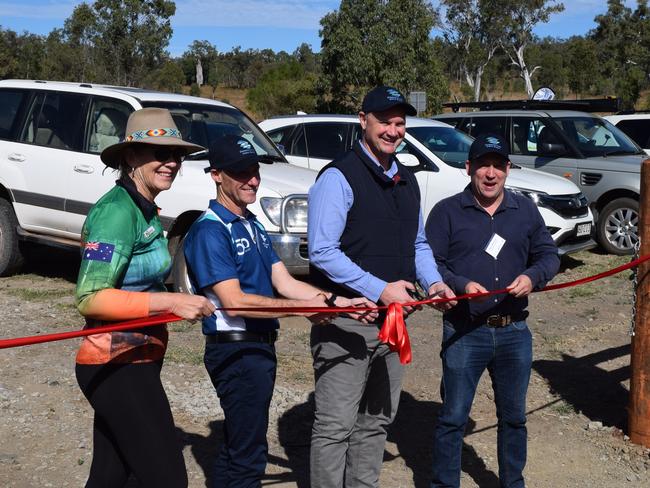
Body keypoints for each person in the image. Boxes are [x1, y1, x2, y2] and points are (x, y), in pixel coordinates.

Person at [182, 134, 375, 488]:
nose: (252, 180)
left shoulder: (253, 224)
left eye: (254, 170)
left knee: (241, 444)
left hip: (258, 348)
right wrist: (303, 311)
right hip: (235, 349)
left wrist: (337, 302)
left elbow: (285, 283)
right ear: (216, 175)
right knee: (248, 453)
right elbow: (235, 301)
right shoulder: (210, 231)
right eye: (241, 172)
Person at [307, 85, 456, 488]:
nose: (393, 130)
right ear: (363, 121)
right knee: (335, 426)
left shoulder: (407, 179)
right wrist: (380, 289)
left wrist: (435, 282)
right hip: (346, 324)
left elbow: (419, 244)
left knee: (376, 421)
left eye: (400, 123)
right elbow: (322, 251)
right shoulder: (338, 176)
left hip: (393, 324)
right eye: (385, 121)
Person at [74, 108, 216, 488]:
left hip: (139, 355)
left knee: (111, 475)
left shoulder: (145, 208)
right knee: (166, 479)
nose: (171, 163)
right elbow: (90, 297)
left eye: (177, 156)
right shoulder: (116, 213)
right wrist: (171, 302)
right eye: (160, 153)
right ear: (131, 156)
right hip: (115, 361)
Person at [425, 133, 561, 488]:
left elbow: (549, 256)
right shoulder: (446, 212)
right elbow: (429, 263)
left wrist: (533, 276)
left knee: (514, 418)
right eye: (482, 165)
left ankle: (512, 483)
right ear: (468, 168)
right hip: (464, 332)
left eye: (497, 166)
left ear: (508, 170)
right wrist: (459, 284)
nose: (490, 173)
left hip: (514, 331)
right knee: (453, 417)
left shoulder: (525, 210)